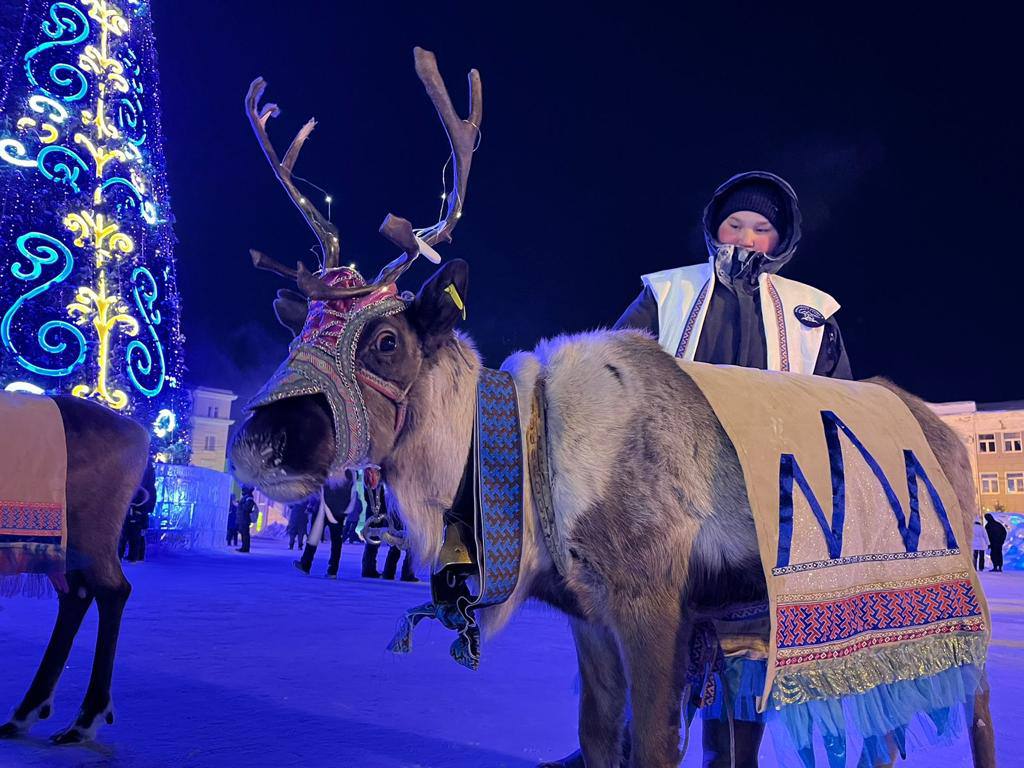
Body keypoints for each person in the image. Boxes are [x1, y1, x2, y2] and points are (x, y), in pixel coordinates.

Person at [549, 171, 850, 768]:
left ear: (780, 239)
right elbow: (609, 372)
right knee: (650, 629)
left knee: (748, 643)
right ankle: (627, 750)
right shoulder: (666, 295)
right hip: (668, 499)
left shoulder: (811, 313)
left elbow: (838, 404)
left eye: (761, 228)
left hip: (763, 500)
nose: (745, 236)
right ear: (713, 228)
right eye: (734, 223)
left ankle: (733, 759)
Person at [236, 487, 258, 553]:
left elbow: (247, 508)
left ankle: (245, 548)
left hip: (245, 519)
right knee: (243, 534)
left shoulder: (249, 498)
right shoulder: (246, 497)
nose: (242, 492)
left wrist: (240, 504)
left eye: (243, 490)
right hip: (243, 519)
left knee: (245, 534)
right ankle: (243, 547)